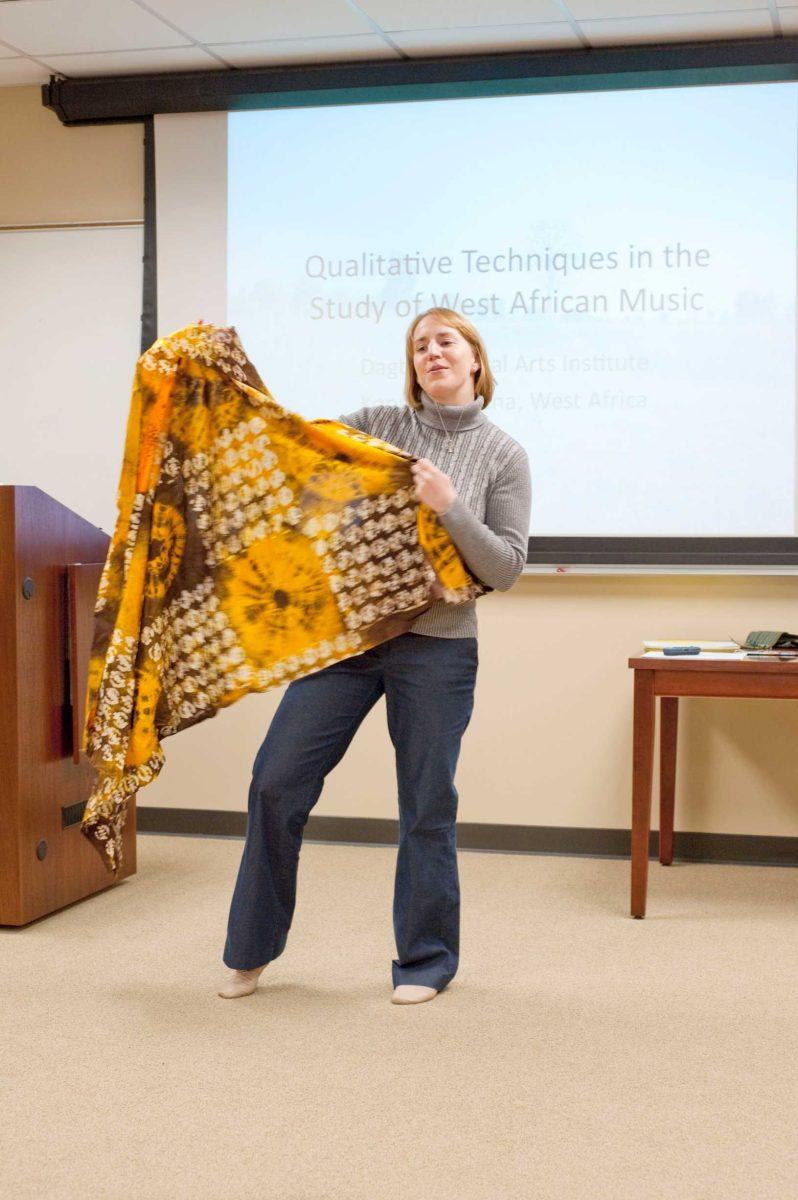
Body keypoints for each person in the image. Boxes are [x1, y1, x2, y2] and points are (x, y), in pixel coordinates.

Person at [219, 307, 531, 1004]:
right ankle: (250, 949)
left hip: (439, 650)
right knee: (276, 781)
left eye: (445, 341)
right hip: (352, 642)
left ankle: (425, 962)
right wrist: (226, 378)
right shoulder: (377, 424)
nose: (432, 352)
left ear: (475, 358)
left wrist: (450, 505)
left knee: (426, 805)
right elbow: (292, 449)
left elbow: (506, 567)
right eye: (420, 345)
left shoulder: (504, 454)